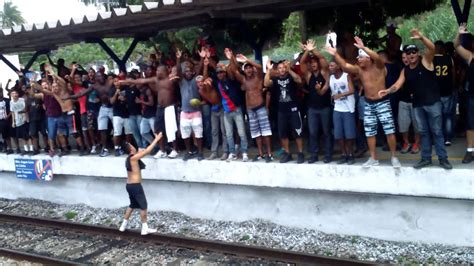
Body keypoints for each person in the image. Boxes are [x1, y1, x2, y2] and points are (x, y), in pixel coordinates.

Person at [379, 29, 452, 170]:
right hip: (418, 105)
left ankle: (443, 159)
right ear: (405, 55)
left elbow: (432, 48)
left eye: (413, 52)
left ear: (418, 54)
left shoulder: (426, 62)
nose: (411, 55)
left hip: (433, 103)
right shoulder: (405, 70)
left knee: (436, 131)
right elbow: (397, 85)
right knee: (423, 132)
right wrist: (387, 91)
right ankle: (426, 159)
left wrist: (421, 37)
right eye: (408, 53)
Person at [326, 36, 400, 168]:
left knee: (389, 131)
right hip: (368, 103)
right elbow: (344, 66)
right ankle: (373, 158)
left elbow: (377, 57)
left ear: (368, 59)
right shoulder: (359, 70)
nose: (357, 59)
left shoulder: (379, 66)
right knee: (370, 132)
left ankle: (394, 157)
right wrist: (335, 54)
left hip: (382, 102)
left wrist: (364, 47)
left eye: (360, 57)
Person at [119, 49, 182, 159]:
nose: (157, 72)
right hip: (159, 108)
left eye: (159, 71)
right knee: (158, 130)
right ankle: (162, 150)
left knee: (171, 129)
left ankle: (175, 150)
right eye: (156, 71)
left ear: (165, 71)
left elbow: (178, 73)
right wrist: (127, 81)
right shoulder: (155, 79)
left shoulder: (171, 80)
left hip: (169, 108)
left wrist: (178, 59)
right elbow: (141, 81)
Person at [228, 51, 273, 162]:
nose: (248, 70)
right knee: (256, 133)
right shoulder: (243, 80)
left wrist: (247, 60)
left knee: (266, 132)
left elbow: (259, 66)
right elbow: (234, 71)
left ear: (252, 69)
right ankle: (260, 154)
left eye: (250, 68)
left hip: (260, 107)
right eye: (246, 68)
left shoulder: (258, 77)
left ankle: (270, 153)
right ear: (244, 70)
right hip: (250, 110)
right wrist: (231, 57)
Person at [119, 132, 163, 236]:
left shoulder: (129, 158)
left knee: (132, 205)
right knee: (144, 206)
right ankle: (145, 228)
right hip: (135, 186)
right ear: (130, 149)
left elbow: (142, 152)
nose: (133, 146)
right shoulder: (134, 158)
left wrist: (140, 151)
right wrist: (156, 139)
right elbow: (147, 151)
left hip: (129, 186)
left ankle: (123, 225)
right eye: (131, 145)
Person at [264, 59, 305, 164]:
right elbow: (266, 83)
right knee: (283, 134)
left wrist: (289, 70)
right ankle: (287, 154)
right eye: (280, 68)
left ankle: (300, 153)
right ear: (277, 70)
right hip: (281, 111)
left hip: (294, 109)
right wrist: (269, 70)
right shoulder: (275, 79)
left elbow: (299, 80)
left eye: (283, 67)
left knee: (298, 132)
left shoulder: (291, 77)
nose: (282, 69)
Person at [300, 39, 332, 163]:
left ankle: (328, 154)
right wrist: (307, 52)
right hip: (312, 108)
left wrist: (313, 50)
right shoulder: (308, 75)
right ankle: (314, 154)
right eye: (311, 62)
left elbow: (323, 58)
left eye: (315, 62)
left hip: (325, 107)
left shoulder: (324, 72)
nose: (313, 64)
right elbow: (302, 63)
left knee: (326, 132)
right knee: (312, 133)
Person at [176, 49, 205, 161]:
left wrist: (202, 58)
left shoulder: (195, 80)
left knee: (198, 133)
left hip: (196, 111)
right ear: (184, 73)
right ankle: (189, 151)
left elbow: (200, 69)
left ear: (193, 73)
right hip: (184, 112)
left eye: (190, 71)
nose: (188, 73)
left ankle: (200, 152)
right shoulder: (181, 81)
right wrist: (178, 58)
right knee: (186, 134)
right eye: (186, 71)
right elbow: (178, 70)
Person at [329, 60, 356, 164]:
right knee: (338, 134)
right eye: (329, 66)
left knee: (349, 134)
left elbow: (352, 90)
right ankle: (343, 154)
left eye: (332, 65)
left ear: (338, 66)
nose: (330, 67)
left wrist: (340, 95)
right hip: (337, 108)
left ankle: (350, 154)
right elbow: (326, 89)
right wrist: (319, 90)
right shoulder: (331, 78)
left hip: (348, 108)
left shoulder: (346, 76)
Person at [454, 23, 474, 163]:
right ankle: (470, 151)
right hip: (473, 96)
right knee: (471, 124)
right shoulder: (471, 57)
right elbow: (456, 46)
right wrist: (459, 33)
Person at [433, 40, 456, 146]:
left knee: (437, 116)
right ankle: (448, 138)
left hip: (436, 91)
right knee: (447, 115)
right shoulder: (449, 58)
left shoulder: (432, 59)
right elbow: (453, 74)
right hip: (447, 90)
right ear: (443, 48)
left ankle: (438, 137)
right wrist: (454, 85)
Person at [398, 51, 421, 154]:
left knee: (417, 125)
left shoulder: (420, 68)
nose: (405, 59)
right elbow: (399, 85)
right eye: (403, 58)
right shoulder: (403, 70)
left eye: (406, 57)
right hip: (403, 100)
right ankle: (406, 143)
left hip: (417, 102)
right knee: (403, 124)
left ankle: (417, 143)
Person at [9, 90, 30, 155]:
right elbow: (13, 112)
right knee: (21, 137)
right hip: (18, 121)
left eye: (15, 93)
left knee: (27, 136)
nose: (14, 94)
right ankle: (25, 150)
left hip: (24, 120)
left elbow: (26, 109)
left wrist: (26, 117)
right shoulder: (11, 102)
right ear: (11, 95)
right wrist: (13, 122)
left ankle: (31, 149)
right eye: (13, 93)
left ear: (17, 94)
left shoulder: (22, 100)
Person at [0, 88, 13, 154]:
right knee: (3, 136)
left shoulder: (7, 100)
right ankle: (4, 147)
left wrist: (7, 117)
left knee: (7, 135)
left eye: (0, 92)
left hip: (6, 120)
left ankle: (10, 148)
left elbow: (12, 110)